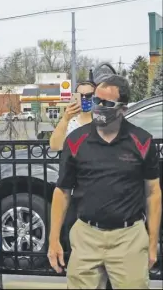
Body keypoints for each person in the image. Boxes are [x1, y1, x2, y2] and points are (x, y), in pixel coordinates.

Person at [48, 75, 162, 289]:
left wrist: (152, 243)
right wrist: (53, 240)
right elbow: (62, 191)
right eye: (96, 100)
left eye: (107, 103)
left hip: (129, 238)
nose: (99, 107)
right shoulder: (75, 140)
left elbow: (153, 193)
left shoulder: (142, 141)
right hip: (86, 237)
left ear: (123, 108)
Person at [49, 80, 96, 151]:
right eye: (80, 95)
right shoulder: (70, 122)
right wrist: (65, 119)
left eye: (88, 95)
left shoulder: (102, 121)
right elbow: (55, 146)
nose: (84, 98)